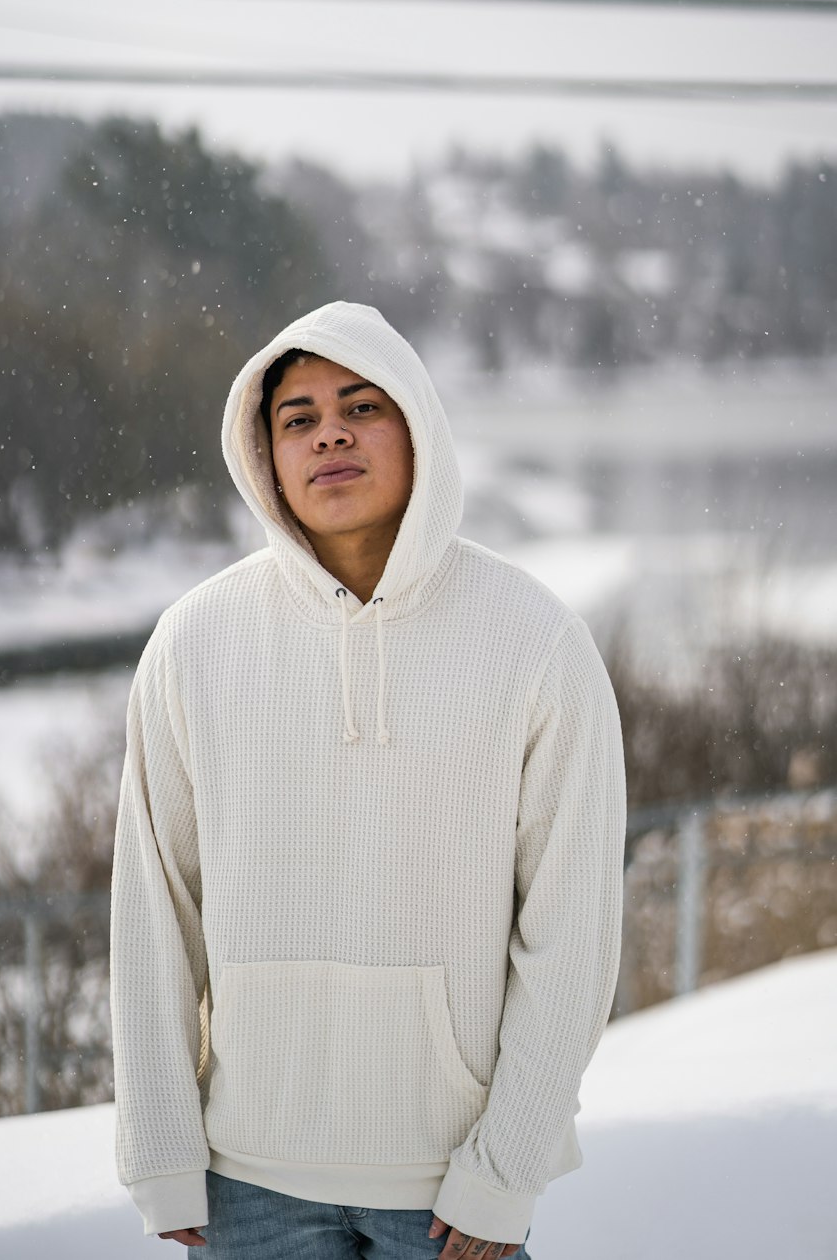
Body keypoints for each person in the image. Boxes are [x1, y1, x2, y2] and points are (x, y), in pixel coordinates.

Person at [110, 300, 625, 1260]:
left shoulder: (534, 641)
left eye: (361, 406)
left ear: (418, 425)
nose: (329, 433)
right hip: (246, 1184)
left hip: (444, 1190)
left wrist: (505, 1171)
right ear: (264, 453)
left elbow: (573, 931)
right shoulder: (195, 643)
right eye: (297, 417)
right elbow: (154, 911)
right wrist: (160, 1147)